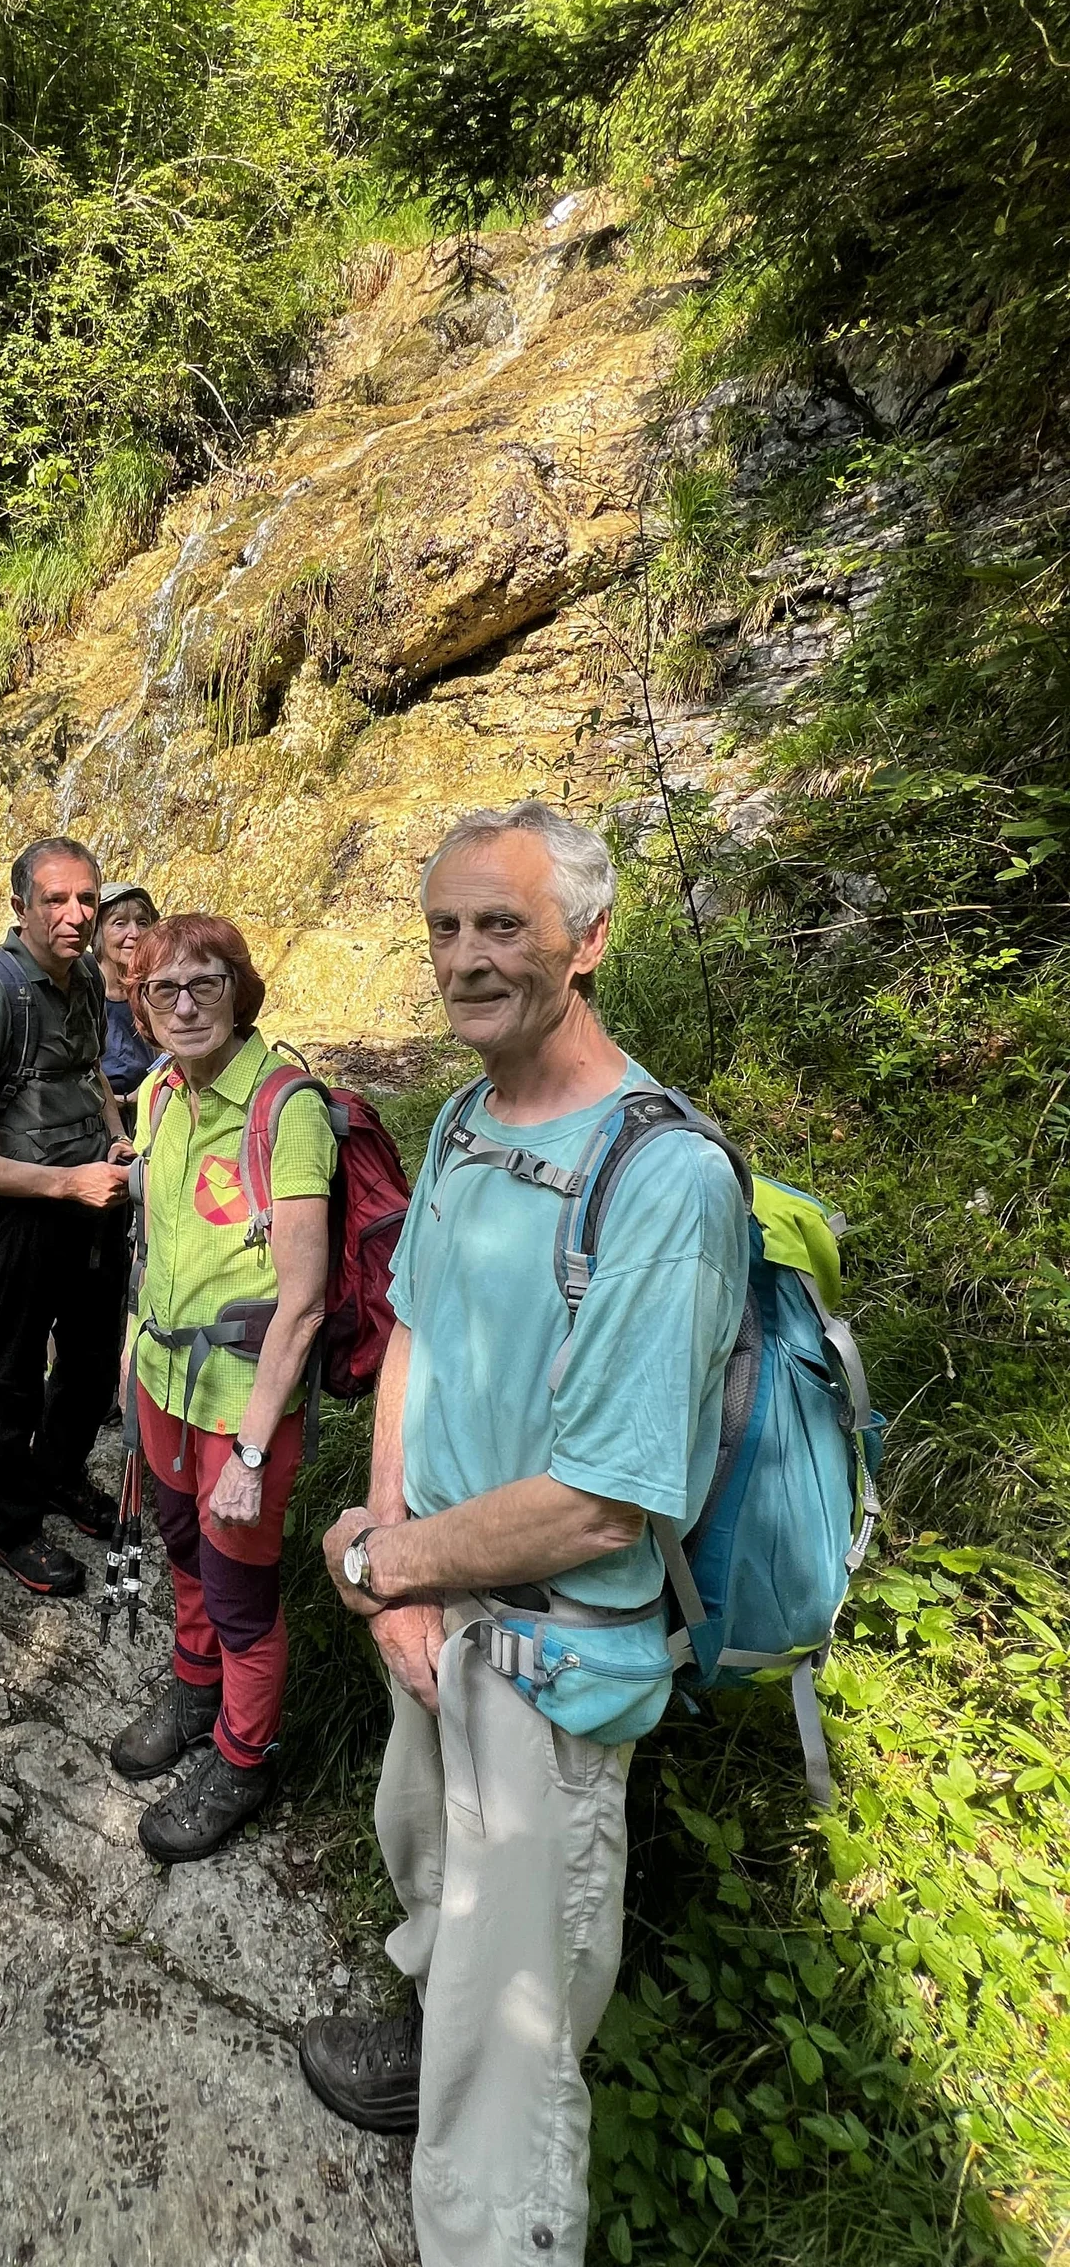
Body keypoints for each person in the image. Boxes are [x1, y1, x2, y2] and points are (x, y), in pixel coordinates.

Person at [300, 802, 750, 2267]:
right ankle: (427, 2033)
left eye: (501, 925)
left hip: (559, 1650)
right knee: (431, 1858)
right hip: (436, 1607)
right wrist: (394, 1550)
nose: (465, 957)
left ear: (589, 939)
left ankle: (495, 2225)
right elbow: (410, 1335)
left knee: (522, 2003)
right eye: (443, 927)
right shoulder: (463, 1119)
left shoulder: (666, 1179)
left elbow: (604, 1500)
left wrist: (383, 1568)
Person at [110, 913, 333, 1863]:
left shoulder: (287, 1110)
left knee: (240, 1588)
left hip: (246, 1399)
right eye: (166, 990)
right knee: (178, 1546)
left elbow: (306, 1301)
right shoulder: (159, 1092)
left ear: (240, 988)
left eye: (208, 983)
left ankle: (245, 1757)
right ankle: (195, 1692)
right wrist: (129, 1364)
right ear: (143, 1006)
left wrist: (249, 1450)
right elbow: (153, 1246)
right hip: (162, 1376)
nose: (188, 1004)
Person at [0, 836, 132, 1599]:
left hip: (91, 1202)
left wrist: (114, 1134)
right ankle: (8, 1528)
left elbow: (89, 1068)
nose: (75, 915)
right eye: (56, 900)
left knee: (92, 1360)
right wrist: (64, 1185)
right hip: (16, 1221)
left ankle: (57, 1479)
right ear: (20, 907)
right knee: (11, 1375)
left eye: (87, 900)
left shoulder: (84, 976)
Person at [94, 881, 159, 1130]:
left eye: (142, 922)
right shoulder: (82, 990)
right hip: (97, 1121)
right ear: (97, 932)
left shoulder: (153, 988)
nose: (135, 933)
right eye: (119, 923)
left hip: (149, 1110)